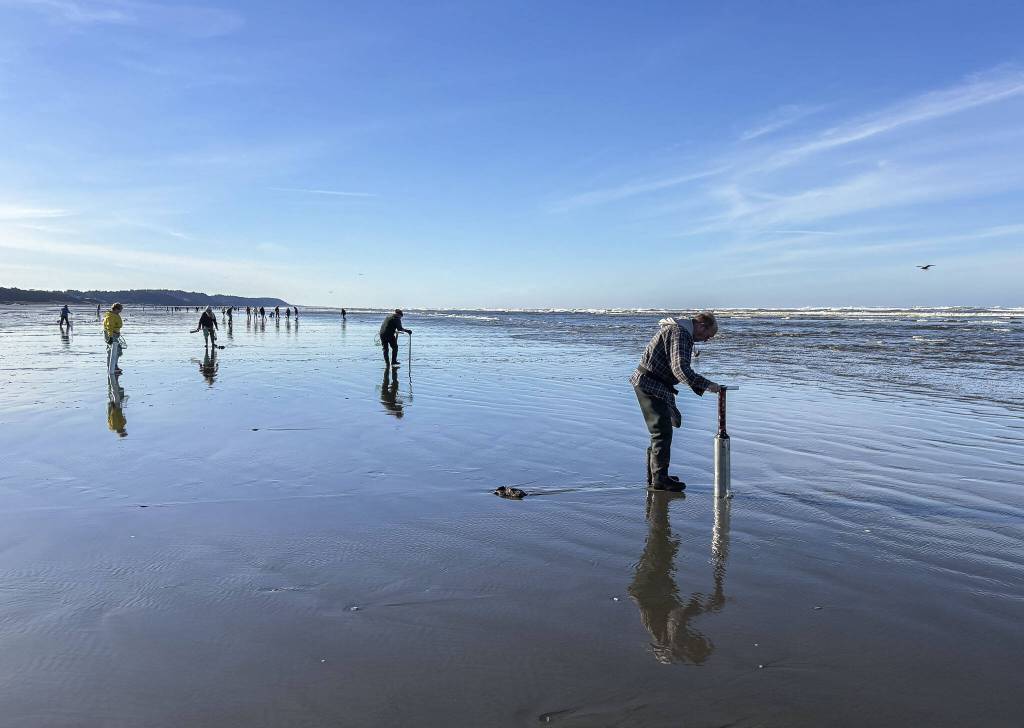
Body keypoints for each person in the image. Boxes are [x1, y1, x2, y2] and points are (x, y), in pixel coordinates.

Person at [630, 312, 721, 491]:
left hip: (652, 383)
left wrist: (700, 386)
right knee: (661, 432)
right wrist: (707, 384)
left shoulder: (678, 330)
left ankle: (656, 476)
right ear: (701, 325)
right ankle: (659, 479)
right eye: (707, 336)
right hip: (650, 383)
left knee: (660, 431)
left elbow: (677, 369)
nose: (706, 341)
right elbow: (680, 369)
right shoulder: (681, 334)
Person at [103, 303, 125, 375]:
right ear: (116, 309)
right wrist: (111, 337)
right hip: (111, 335)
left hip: (114, 334)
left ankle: (115, 366)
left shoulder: (115, 315)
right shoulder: (111, 316)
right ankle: (112, 367)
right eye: (120, 310)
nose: (121, 311)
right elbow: (110, 327)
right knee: (113, 351)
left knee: (117, 351)